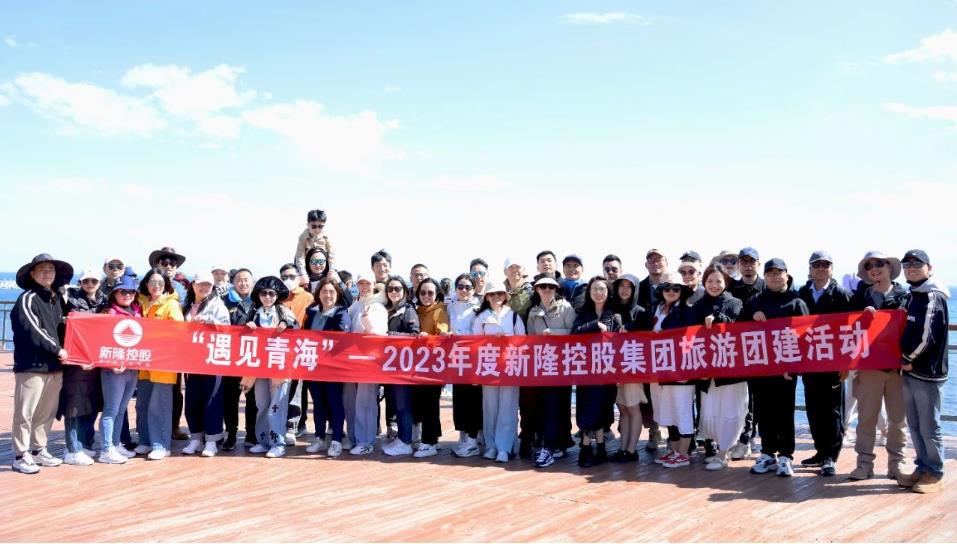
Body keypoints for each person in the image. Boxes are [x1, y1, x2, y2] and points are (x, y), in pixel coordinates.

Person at [741, 258, 809, 477]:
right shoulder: (755, 300)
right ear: (765, 277)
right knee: (763, 411)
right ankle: (768, 453)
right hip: (761, 367)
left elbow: (805, 337)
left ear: (786, 275)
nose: (774, 277)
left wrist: (794, 366)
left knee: (784, 412)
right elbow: (738, 326)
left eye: (778, 273)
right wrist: (752, 315)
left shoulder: (796, 302)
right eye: (770, 273)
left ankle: (786, 455)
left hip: (786, 369)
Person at [848, 250, 909, 481]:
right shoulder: (859, 298)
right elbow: (845, 328)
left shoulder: (906, 297)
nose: (874, 268)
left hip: (898, 369)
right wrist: (860, 317)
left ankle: (897, 464)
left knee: (898, 420)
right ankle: (864, 464)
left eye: (879, 264)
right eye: (869, 265)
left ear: (889, 267)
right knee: (866, 419)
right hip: (869, 368)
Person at [10, 254, 73, 474]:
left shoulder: (56, 299)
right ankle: (20, 455)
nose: (48, 273)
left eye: (51, 270)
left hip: (54, 366)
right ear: (33, 274)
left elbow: (62, 329)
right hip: (32, 366)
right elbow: (33, 330)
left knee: (47, 411)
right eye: (43, 269)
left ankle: (39, 449)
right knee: (25, 412)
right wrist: (58, 350)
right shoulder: (27, 299)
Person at [896, 249, 949, 494]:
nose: (911, 268)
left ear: (929, 267)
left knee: (929, 426)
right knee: (915, 424)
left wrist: (908, 358)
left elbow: (928, 336)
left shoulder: (932, 296)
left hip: (927, 372)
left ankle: (935, 473)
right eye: (907, 264)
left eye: (917, 264)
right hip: (909, 371)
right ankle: (922, 467)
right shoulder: (913, 295)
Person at [797, 250, 853, 477]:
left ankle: (831, 455)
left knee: (832, 410)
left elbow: (850, 329)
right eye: (816, 265)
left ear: (832, 268)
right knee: (813, 408)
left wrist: (846, 362)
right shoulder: (801, 293)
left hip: (833, 362)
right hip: (809, 361)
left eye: (825, 265)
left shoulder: (841, 294)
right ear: (810, 269)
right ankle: (820, 451)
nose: (821, 268)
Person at [693, 266, 745, 471]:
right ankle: (717, 449)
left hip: (730, 370)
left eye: (718, 281)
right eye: (710, 281)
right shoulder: (698, 305)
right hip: (707, 370)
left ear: (726, 282)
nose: (714, 285)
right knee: (711, 410)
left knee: (731, 410)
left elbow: (738, 328)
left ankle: (724, 452)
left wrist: (718, 319)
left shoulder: (735, 302)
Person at [243, 276, 298, 458]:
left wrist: (286, 324)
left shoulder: (284, 312)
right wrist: (247, 326)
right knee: (262, 404)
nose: (267, 297)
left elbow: (297, 329)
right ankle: (263, 441)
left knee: (277, 406)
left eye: (271, 293)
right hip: (259, 367)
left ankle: (278, 443)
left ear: (277, 295)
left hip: (279, 366)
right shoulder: (254, 312)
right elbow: (242, 333)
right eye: (263, 293)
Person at [647, 273, 696, 469]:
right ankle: (674, 450)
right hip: (660, 370)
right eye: (667, 288)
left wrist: (688, 372)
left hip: (680, 370)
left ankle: (683, 453)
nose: (671, 292)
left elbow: (692, 339)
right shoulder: (655, 309)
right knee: (668, 412)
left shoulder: (687, 311)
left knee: (682, 412)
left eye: (676, 288)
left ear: (682, 291)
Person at [473, 280, 526, 463]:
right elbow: (474, 344)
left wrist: (507, 339)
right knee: (490, 408)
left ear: (505, 296)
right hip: (489, 368)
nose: (496, 297)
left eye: (500, 294)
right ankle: (491, 446)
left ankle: (504, 447)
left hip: (510, 367)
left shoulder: (513, 316)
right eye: (492, 294)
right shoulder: (481, 318)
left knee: (508, 408)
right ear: (487, 297)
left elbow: (523, 341)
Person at [527, 276, 576, 468]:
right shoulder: (533, 312)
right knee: (545, 407)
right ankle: (551, 445)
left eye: (551, 286)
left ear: (556, 289)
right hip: (542, 366)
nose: (546, 289)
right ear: (537, 289)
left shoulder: (566, 308)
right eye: (542, 286)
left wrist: (553, 332)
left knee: (559, 407)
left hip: (563, 366)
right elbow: (530, 339)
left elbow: (574, 333)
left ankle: (555, 446)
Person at [572, 276, 622, 467]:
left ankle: (600, 449)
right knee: (588, 410)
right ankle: (585, 449)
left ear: (608, 292)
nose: (598, 293)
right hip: (586, 372)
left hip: (607, 372)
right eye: (594, 289)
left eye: (602, 289)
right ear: (589, 292)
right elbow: (574, 334)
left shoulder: (614, 317)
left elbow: (620, 343)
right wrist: (594, 325)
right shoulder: (582, 314)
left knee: (602, 410)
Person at [135, 268, 184, 461]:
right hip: (143, 362)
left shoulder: (171, 304)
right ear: (146, 284)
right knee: (143, 404)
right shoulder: (141, 302)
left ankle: (161, 444)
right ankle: (145, 440)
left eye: (160, 283)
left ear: (166, 285)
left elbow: (179, 332)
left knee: (160, 405)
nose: (156, 286)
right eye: (152, 282)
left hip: (164, 363)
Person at [59, 268, 107, 466]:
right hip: (76, 362)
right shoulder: (69, 299)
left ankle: (84, 443)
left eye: (94, 281)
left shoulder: (104, 302)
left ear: (99, 283)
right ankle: (72, 449)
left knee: (91, 404)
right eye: (86, 281)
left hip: (95, 362)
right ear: (80, 283)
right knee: (74, 405)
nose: (89, 285)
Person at [182, 272, 231, 457]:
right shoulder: (186, 305)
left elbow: (227, 329)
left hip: (212, 359)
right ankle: (196, 438)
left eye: (208, 285)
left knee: (212, 401)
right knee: (192, 400)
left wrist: (209, 322)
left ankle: (212, 440)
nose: (204, 288)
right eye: (200, 284)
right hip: (192, 361)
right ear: (193, 285)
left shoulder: (218, 305)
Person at [303, 277, 352, 458]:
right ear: (319, 294)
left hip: (333, 368)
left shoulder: (341, 313)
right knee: (318, 402)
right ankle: (319, 438)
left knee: (334, 402)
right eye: (324, 291)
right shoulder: (311, 312)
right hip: (313, 365)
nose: (328, 295)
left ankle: (337, 440)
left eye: (331, 291)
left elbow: (342, 337)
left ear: (337, 294)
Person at [96, 274, 142, 464]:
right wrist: (110, 364)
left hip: (132, 369)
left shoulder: (137, 313)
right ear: (114, 293)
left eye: (131, 291)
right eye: (122, 291)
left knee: (121, 409)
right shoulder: (108, 313)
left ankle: (115, 444)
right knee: (111, 410)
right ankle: (106, 449)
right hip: (113, 371)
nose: (127, 295)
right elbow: (100, 342)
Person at [147, 246, 189, 441]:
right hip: (150, 346)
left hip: (174, 348)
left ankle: (174, 427)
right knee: (148, 390)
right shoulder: (147, 284)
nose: (169, 266)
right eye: (164, 262)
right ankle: (147, 429)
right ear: (157, 264)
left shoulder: (182, 288)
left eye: (173, 263)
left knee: (175, 389)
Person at [346, 274, 387, 455]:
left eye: (367, 284)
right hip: (352, 360)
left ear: (374, 285)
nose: (364, 287)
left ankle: (366, 441)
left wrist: (368, 323)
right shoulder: (355, 305)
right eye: (361, 284)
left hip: (369, 362)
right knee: (351, 401)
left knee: (366, 401)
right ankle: (354, 437)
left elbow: (380, 335)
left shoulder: (378, 307)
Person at [611, 273, 648, 463]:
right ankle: (623, 448)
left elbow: (648, 337)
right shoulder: (611, 309)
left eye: (629, 286)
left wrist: (631, 329)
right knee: (623, 409)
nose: (625, 290)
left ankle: (632, 449)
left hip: (633, 368)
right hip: (614, 368)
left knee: (633, 408)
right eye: (622, 286)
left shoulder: (641, 312)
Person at [382, 276, 421, 456]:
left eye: (397, 288)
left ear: (404, 291)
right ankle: (402, 438)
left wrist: (390, 335)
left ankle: (406, 441)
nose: (394, 292)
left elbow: (414, 335)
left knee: (403, 404)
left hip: (404, 367)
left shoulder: (409, 311)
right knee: (396, 404)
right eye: (390, 289)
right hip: (390, 367)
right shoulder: (387, 310)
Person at [413, 278, 450, 458]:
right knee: (424, 404)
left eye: (430, 292)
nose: (426, 296)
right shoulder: (417, 311)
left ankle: (429, 442)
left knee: (430, 404)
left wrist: (434, 335)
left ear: (437, 294)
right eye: (423, 292)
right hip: (418, 366)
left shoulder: (439, 310)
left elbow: (442, 331)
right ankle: (432, 440)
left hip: (433, 366)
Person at [221, 268, 256, 450]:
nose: (243, 283)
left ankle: (251, 434)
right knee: (230, 399)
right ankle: (231, 435)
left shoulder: (260, 300)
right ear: (233, 282)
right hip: (232, 358)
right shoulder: (224, 301)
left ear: (252, 282)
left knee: (253, 399)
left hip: (252, 358)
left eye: (246, 279)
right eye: (239, 280)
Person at [449, 272, 481, 457]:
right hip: (456, 359)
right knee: (459, 399)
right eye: (460, 286)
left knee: (472, 400)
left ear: (474, 289)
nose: (464, 290)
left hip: (474, 359)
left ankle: (473, 441)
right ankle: (464, 438)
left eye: (468, 287)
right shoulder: (451, 306)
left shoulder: (479, 307)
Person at [294, 209, 335, 285]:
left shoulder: (327, 237)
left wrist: (331, 270)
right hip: (307, 267)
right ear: (307, 225)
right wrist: (303, 274)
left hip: (323, 267)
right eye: (314, 226)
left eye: (320, 226)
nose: (317, 229)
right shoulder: (302, 237)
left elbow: (331, 255)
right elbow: (300, 256)